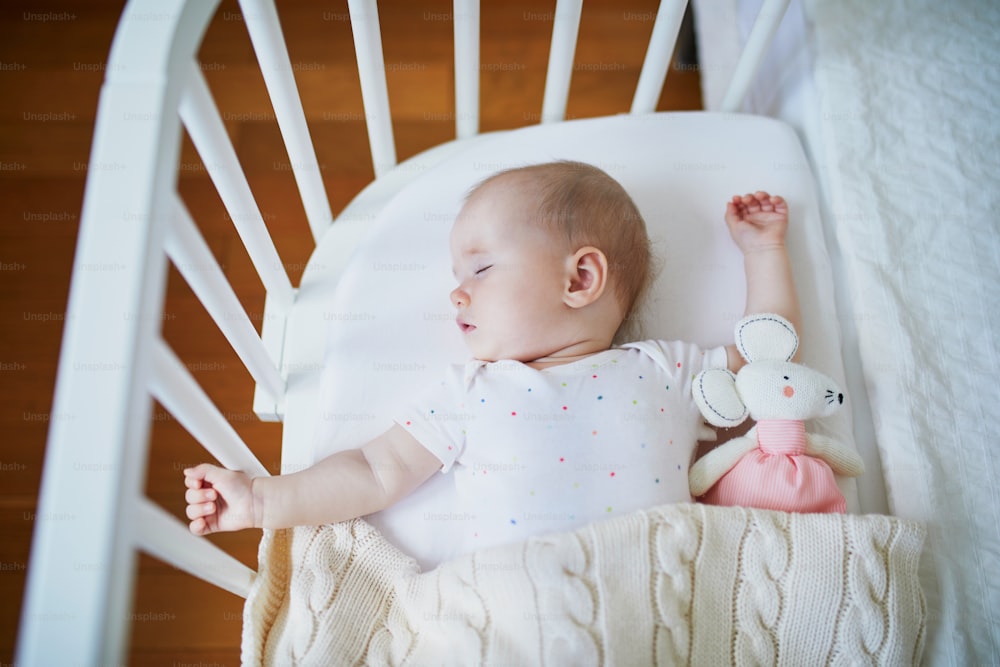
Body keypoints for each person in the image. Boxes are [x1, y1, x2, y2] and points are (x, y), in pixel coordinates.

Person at [184, 161, 798, 551]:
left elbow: (768, 366)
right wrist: (263, 500)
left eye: (481, 267)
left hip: (655, 590)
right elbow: (375, 472)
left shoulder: (666, 370)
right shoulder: (469, 392)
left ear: (580, 278)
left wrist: (763, 254)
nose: (457, 291)